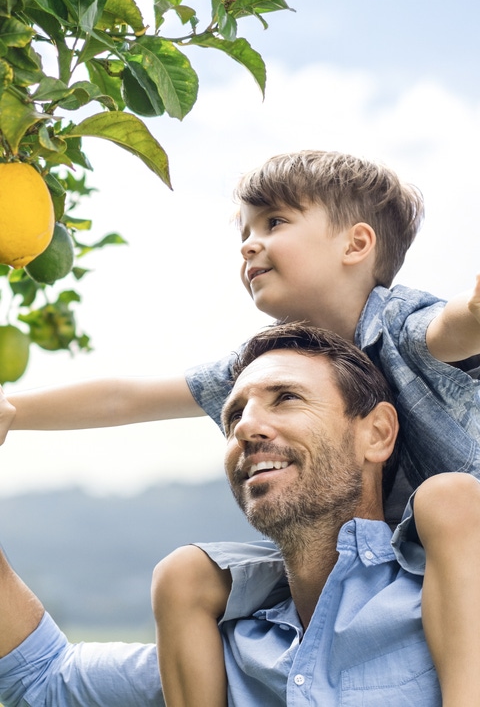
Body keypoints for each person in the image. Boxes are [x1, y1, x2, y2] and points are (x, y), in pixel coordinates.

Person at [2, 150, 480, 705]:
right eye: (236, 414)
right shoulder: (243, 649)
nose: (249, 244)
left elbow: (452, 329)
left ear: (357, 244)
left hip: (455, 540)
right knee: (187, 574)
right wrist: (13, 411)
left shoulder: (400, 324)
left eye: (274, 223)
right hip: (370, 560)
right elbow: (123, 397)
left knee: (448, 498)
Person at [0, 323, 453, 706]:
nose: (245, 428)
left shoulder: (456, 606)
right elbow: (40, 677)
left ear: (377, 433)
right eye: (234, 414)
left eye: (287, 398)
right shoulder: (218, 660)